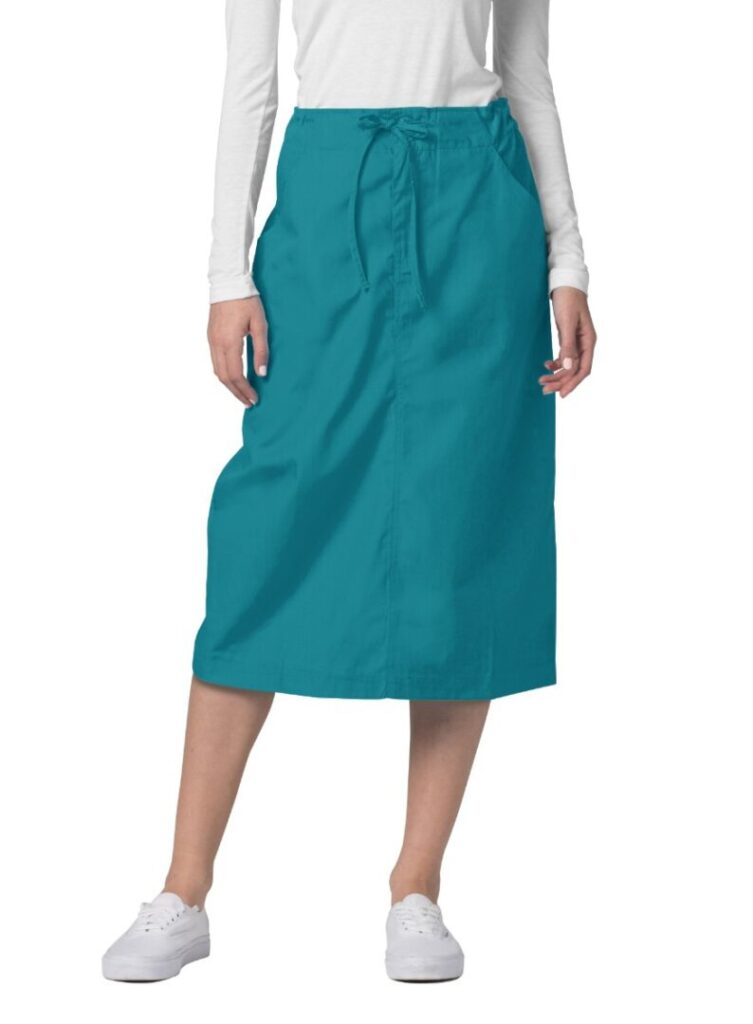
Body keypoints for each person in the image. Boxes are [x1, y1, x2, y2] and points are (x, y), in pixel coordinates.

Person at [102, 0, 596, 984]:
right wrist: (225, 276)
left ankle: (417, 887)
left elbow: (527, 74)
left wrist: (568, 260)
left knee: (461, 533)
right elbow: (251, 85)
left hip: (478, 208)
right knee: (266, 536)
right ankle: (183, 891)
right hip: (329, 200)